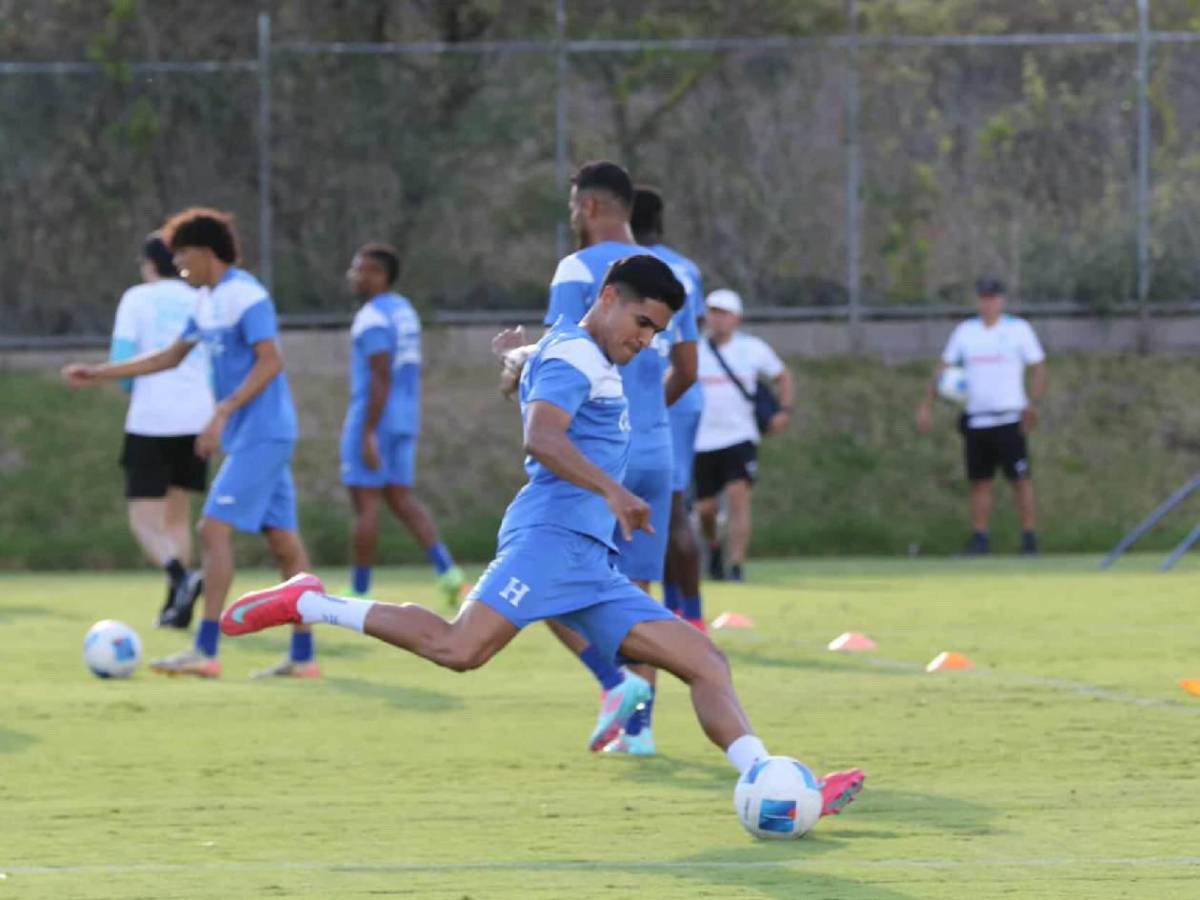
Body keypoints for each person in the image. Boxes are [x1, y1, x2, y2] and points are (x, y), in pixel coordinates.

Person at [219, 254, 864, 819]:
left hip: (589, 559)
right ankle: (309, 601)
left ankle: (770, 781)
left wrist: (515, 360)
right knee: (458, 649)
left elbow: (542, 372)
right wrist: (612, 491)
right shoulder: (578, 352)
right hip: (548, 540)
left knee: (705, 662)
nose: (646, 340)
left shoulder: (575, 348)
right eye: (642, 323)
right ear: (608, 298)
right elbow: (542, 436)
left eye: (658, 332)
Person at [62, 207, 318, 679]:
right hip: (251, 435)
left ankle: (206, 650)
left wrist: (221, 412)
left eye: (182, 255)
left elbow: (271, 362)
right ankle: (304, 659)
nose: (177, 265)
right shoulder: (205, 301)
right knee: (283, 543)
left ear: (203, 253)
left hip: (263, 433)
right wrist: (99, 373)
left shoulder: (246, 295)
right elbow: (169, 357)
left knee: (212, 529)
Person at [538, 161, 695, 756]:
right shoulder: (678, 272)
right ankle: (640, 731)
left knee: (539, 581)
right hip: (656, 450)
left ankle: (612, 684)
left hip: (600, 455)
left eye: (576, 206)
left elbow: (559, 356)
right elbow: (688, 369)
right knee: (636, 591)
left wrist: (512, 370)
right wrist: (645, 417)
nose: (574, 216)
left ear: (595, 207)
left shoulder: (578, 270)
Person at [341, 243, 464, 604]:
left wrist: (366, 432)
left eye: (361, 269)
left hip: (375, 417)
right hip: (405, 416)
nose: (354, 276)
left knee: (365, 504)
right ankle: (448, 571)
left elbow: (381, 375)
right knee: (400, 497)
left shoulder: (372, 317)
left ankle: (360, 590)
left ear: (380, 275)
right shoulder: (404, 311)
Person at [107, 232, 212, 629]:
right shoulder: (199, 297)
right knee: (176, 518)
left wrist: (131, 389)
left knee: (144, 521)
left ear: (149, 264)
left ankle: (180, 578)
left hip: (152, 421)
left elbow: (122, 363)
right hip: (197, 419)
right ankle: (176, 608)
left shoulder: (138, 298)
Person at [916, 276, 1047, 555]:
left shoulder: (1018, 330)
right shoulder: (966, 332)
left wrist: (1033, 404)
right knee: (980, 481)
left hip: (1010, 417)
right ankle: (980, 538)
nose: (988, 304)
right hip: (977, 418)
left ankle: (1029, 537)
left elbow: (1038, 367)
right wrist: (927, 404)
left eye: (993, 298)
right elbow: (944, 369)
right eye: (983, 298)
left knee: (1020, 480)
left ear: (1001, 301)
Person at [630, 186, 707, 632]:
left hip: (654, 391)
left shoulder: (625, 267)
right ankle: (683, 612)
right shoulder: (686, 267)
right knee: (673, 503)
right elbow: (689, 331)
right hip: (684, 392)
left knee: (666, 510)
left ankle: (685, 619)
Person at [694, 289, 794, 582]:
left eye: (723, 313)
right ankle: (713, 546)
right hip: (702, 439)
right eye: (713, 312)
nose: (717, 318)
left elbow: (783, 376)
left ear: (736, 318)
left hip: (740, 437)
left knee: (739, 499)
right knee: (705, 509)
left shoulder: (752, 349)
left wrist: (784, 411)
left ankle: (736, 565)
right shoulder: (695, 350)